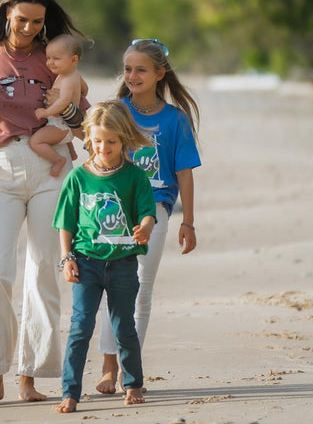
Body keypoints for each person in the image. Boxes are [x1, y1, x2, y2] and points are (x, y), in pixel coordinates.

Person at [0, 0, 90, 407]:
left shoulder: (54, 60)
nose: (29, 29)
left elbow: (83, 124)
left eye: (37, 22)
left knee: (42, 271)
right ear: (6, 14)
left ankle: (30, 376)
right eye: (21, 20)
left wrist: (66, 106)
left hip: (50, 167)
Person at [94, 38, 201, 395]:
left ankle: (130, 369)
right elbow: (95, 157)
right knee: (112, 285)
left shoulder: (175, 119)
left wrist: (188, 222)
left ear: (160, 73)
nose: (132, 75)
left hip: (154, 209)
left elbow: (184, 172)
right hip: (114, 206)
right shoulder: (115, 111)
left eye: (141, 69)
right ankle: (108, 368)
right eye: (127, 69)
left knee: (140, 288)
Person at [53, 100, 157, 413]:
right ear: (88, 139)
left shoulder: (135, 177)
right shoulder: (77, 178)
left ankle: (133, 383)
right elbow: (65, 223)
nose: (104, 147)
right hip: (85, 262)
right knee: (80, 327)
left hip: (124, 263)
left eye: (111, 141)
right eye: (97, 141)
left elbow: (147, 213)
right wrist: (66, 258)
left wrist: (146, 228)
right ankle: (70, 392)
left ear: (124, 139)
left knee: (124, 326)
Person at [30, 34, 84, 177]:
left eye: (56, 59)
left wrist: (45, 112)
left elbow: (63, 102)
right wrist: (78, 93)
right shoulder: (75, 74)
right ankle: (71, 150)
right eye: (48, 58)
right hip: (66, 125)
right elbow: (85, 89)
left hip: (60, 125)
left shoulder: (67, 80)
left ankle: (58, 160)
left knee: (35, 142)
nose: (50, 63)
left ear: (74, 60)